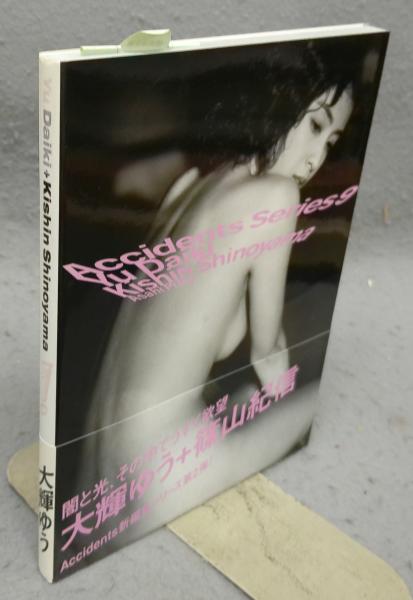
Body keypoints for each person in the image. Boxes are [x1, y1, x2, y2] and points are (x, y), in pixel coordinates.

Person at [83, 41, 358, 502]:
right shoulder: (277, 196)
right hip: (159, 474)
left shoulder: (187, 187)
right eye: (315, 126)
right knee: (317, 398)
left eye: (330, 143)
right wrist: (280, 392)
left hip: (98, 474)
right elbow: (268, 357)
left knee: (243, 399)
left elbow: (204, 326)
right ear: (278, 101)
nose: (316, 159)